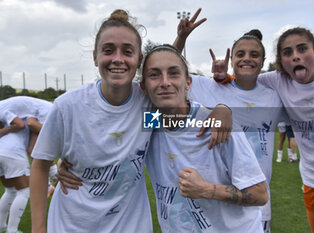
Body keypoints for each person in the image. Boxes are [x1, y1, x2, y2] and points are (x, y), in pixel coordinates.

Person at [30, 9, 229, 233]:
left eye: (127, 51)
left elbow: (175, 95)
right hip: (71, 226)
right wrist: (38, 229)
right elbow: (39, 166)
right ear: (95, 57)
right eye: (108, 50)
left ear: (138, 60)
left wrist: (222, 110)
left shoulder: (146, 107)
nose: (117, 59)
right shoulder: (68, 107)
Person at [218, 26, 314, 233]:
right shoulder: (277, 81)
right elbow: (245, 81)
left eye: (302, 49)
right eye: (287, 53)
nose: (295, 57)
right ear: (281, 61)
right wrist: (223, 79)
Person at [174, 22, 286, 231]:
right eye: (240, 53)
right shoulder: (212, 87)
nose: (247, 58)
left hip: (258, 200)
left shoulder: (273, 97)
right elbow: (170, 73)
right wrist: (181, 38)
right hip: (219, 199)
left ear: (263, 62)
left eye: (254, 54)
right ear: (232, 59)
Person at [0, 96, 52, 233]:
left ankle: (1, 226)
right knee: (24, 191)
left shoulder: (12, 115)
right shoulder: (22, 116)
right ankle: (12, 230)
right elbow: (34, 148)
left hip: (2, 152)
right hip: (12, 153)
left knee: (10, 191)